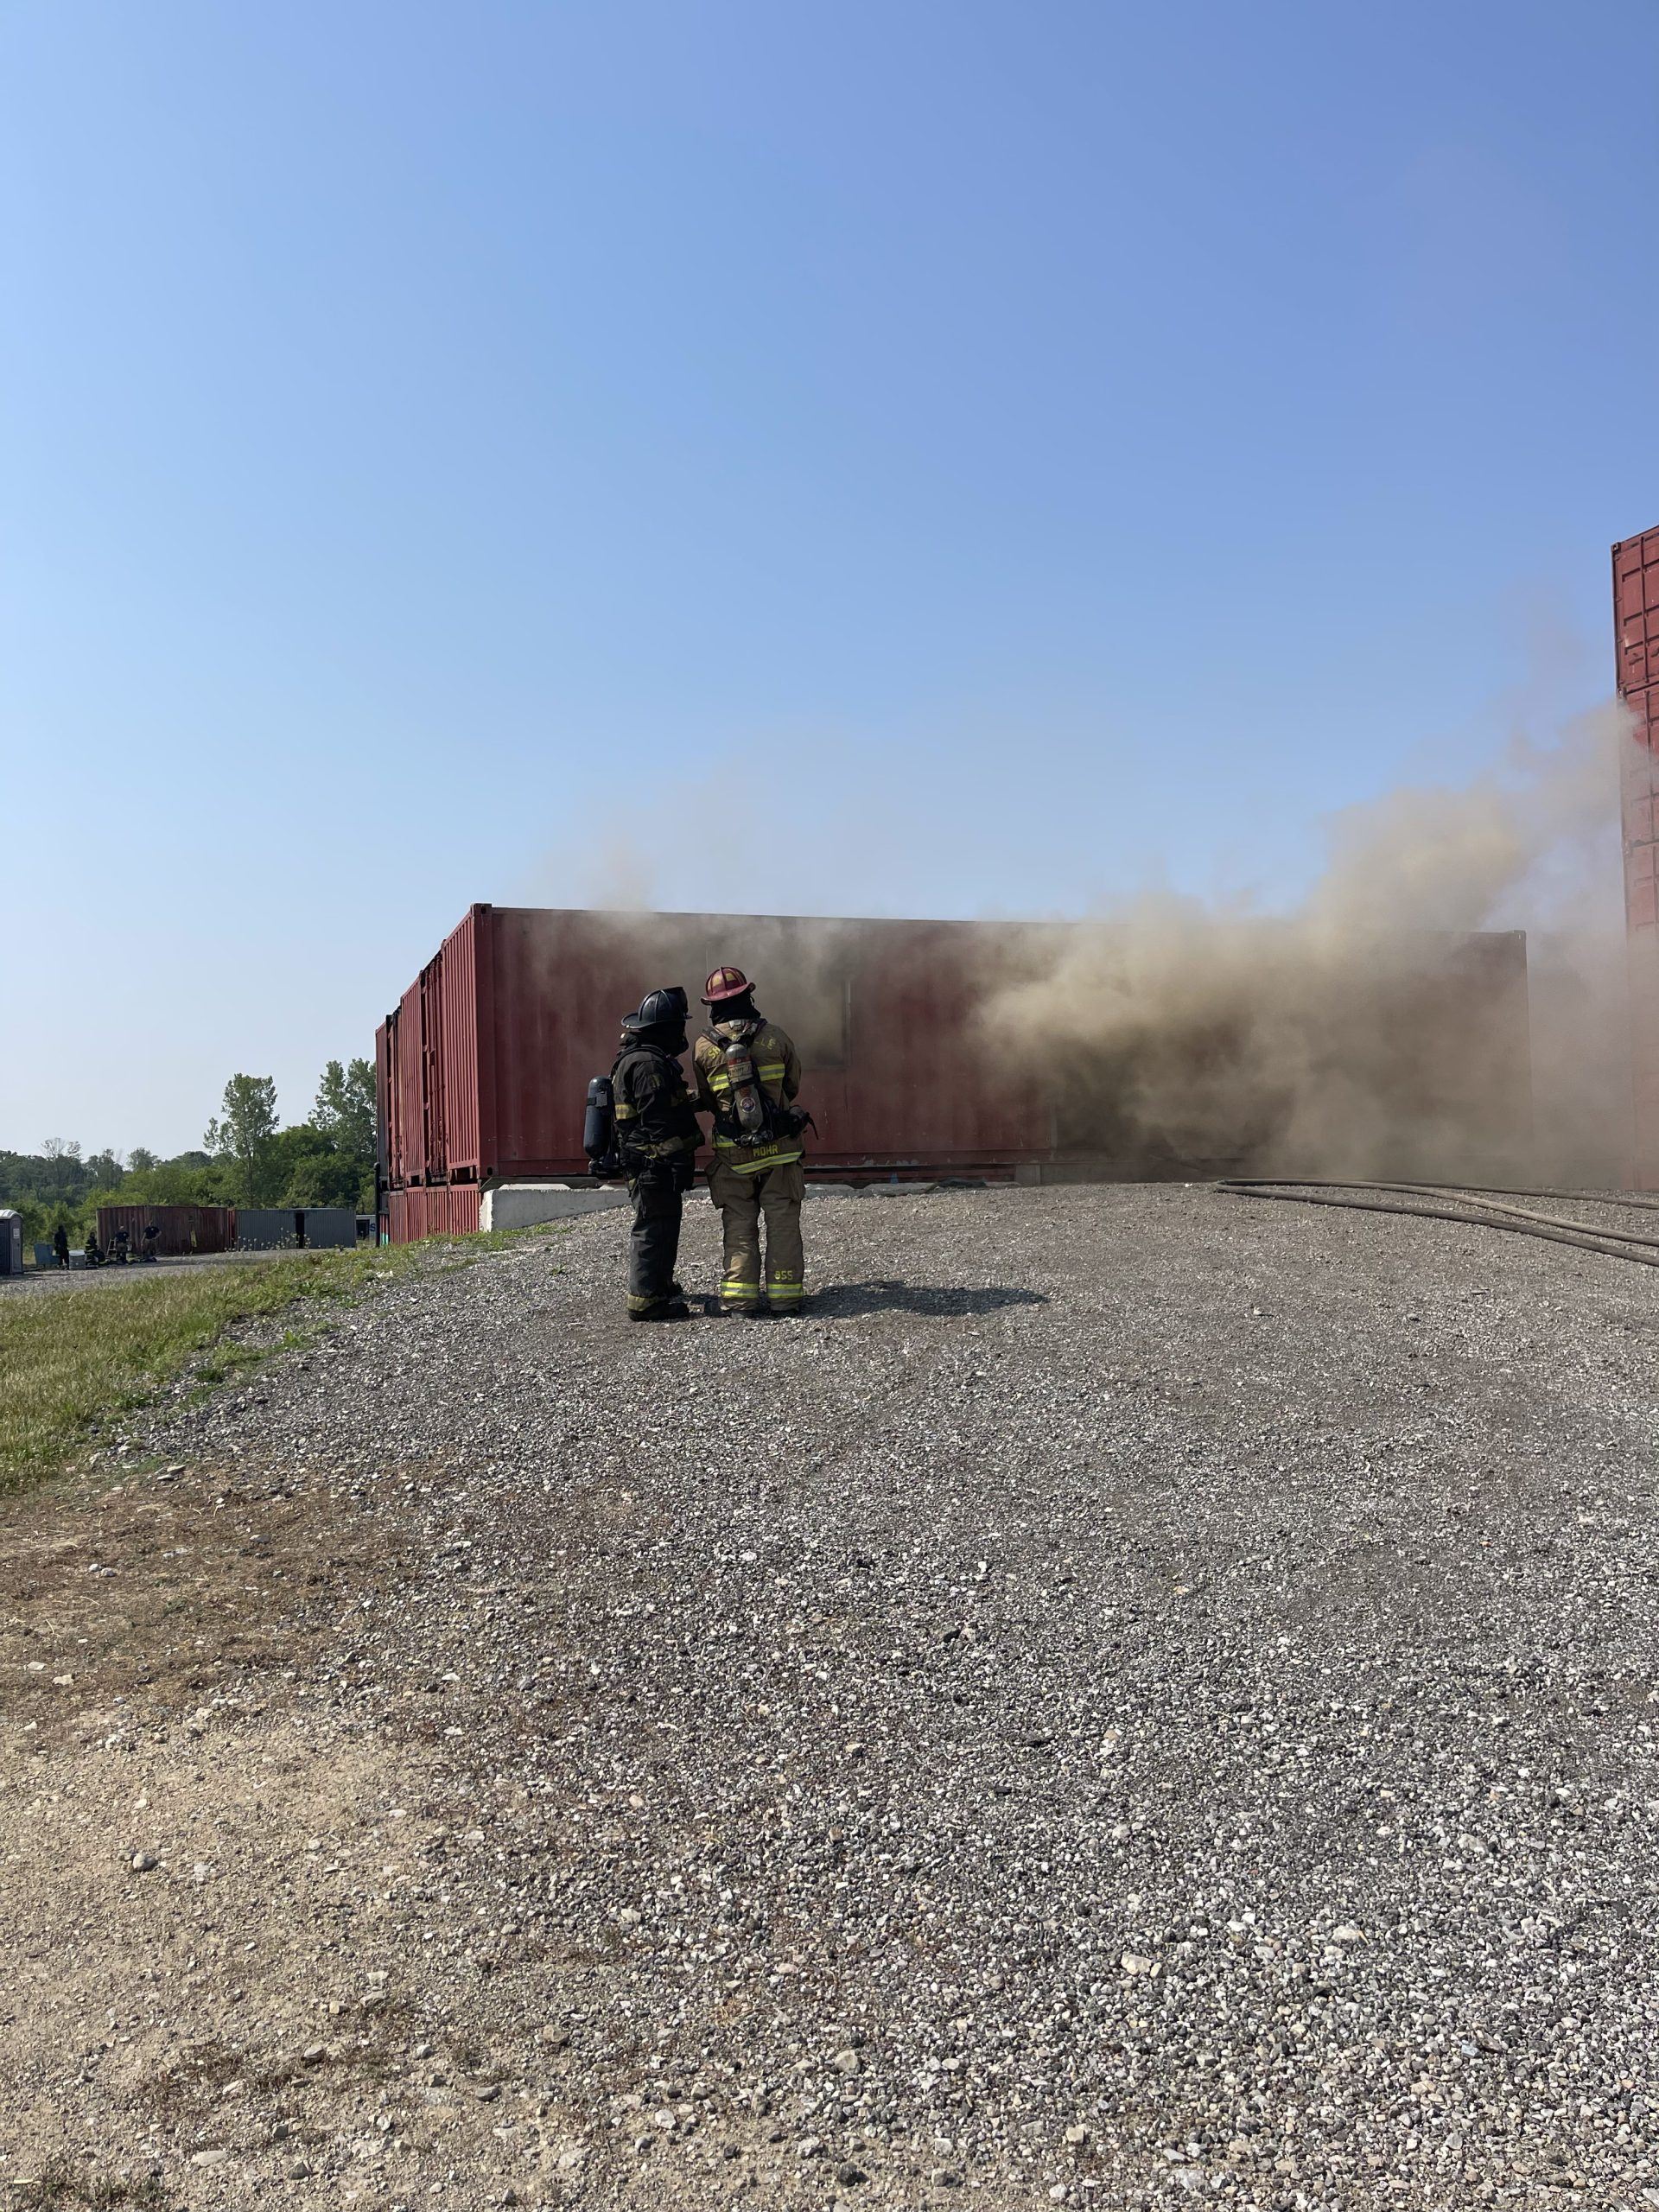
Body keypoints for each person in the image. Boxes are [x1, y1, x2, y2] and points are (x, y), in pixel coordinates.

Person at [692, 965, 809, 1316]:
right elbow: (792, 1086)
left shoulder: (703, 1047)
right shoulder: (776, 1037)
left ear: (713, 1006)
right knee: (782, 1221)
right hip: (780, 1152)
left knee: (740, 1226)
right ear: (749, 996)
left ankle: (740, 1300)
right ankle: (785, 1298)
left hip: (734, 1156)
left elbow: (708, 1101)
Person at [611, 985, 702, 1322]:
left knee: (664, 1224)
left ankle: (659, 1284)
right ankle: (645, 1301)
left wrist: (703, 1098)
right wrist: (676, 1158)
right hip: (652, 1163)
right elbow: (657, 1120)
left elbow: (666, 1103)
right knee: (654, 1227)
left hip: (650, 1161)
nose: (681, 1032)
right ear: (665, 1028)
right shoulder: (648, 1064)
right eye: (678, 1025)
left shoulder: (642, 1059)